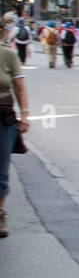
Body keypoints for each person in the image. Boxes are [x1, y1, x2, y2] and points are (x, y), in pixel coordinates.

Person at [1, 42, 30, 238]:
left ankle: (0, 214)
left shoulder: (8, 54)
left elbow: (20, 88)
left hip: (2, 118)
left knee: (0, 168)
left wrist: (25, 115)